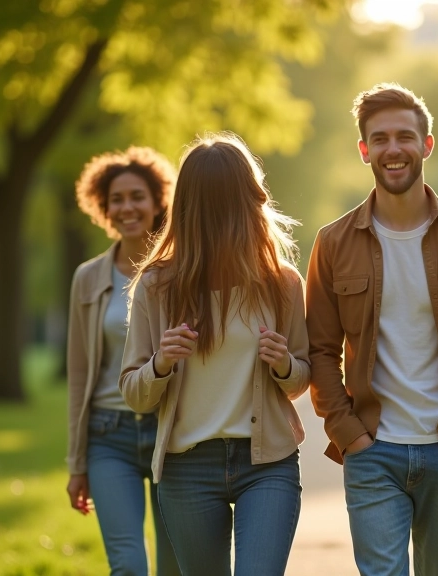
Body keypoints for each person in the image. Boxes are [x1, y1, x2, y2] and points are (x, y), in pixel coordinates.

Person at [305, 82, 438, 576]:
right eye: (379, 139)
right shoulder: (333, 242)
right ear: (363, 150)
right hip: (372, 452)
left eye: (404, 136)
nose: (392, 149)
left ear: (426, 144)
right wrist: (349, 433)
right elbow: (318, 350)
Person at [119, 132, 310, 576]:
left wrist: (284, 363)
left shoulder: (282, 283)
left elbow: (302, 377)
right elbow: (134, 393)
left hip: (267, 465)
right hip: (188, 469)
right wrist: (160, 363)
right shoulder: (156, 285)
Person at [66, 146, 182, 576]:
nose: (127, 207)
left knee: (177, 567)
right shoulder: (88, 277)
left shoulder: (180, 268)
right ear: (104, 207)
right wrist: (77, 464)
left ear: (157, 202)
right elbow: (79, 374)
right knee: (129, 566)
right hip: (107, 437)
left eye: (137, 196)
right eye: (117, 199)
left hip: (170, 434)